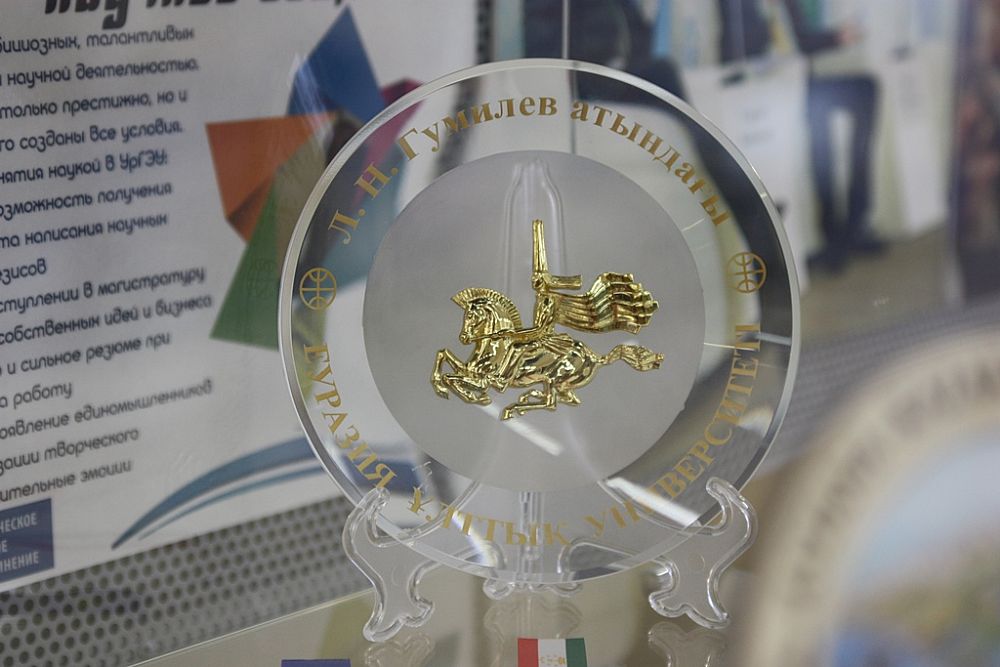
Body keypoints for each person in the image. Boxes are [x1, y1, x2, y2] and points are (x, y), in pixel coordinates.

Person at [719, 0, 884, 271]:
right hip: (769, 83)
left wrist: (838, 37)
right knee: (819, 125)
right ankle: (832, 236)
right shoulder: (738, 6)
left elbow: (801, 42)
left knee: (866, 89)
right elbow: (736, 49)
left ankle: (857, 222)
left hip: (802, 81)